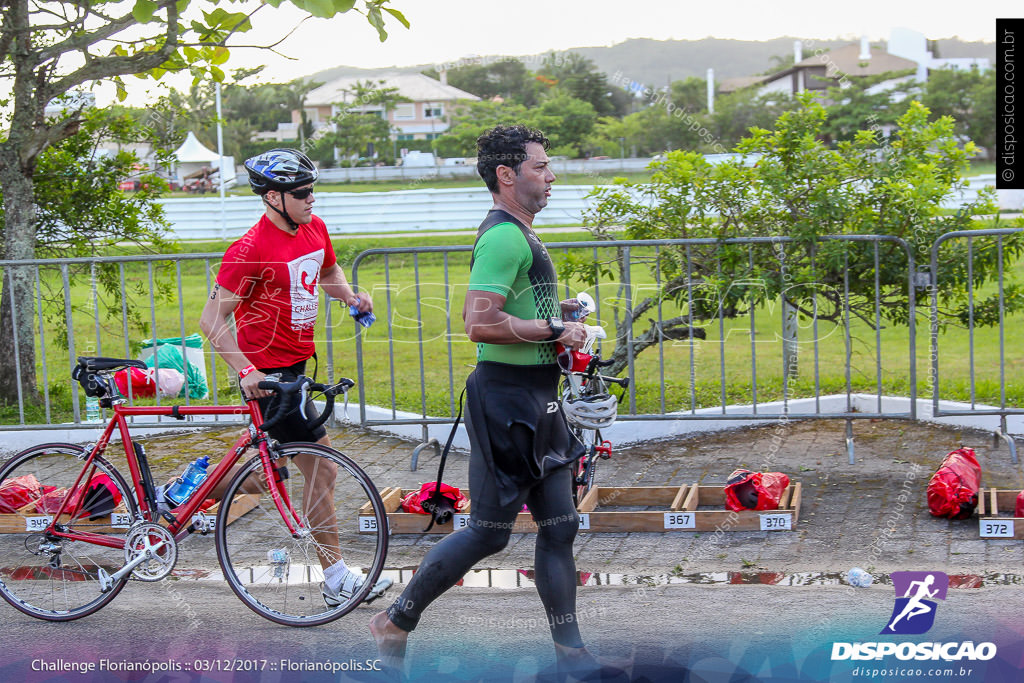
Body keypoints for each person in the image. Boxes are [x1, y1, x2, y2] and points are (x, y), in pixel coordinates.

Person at [371, 126, 621, 676]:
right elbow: (480, 323)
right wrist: (557, 328)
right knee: (488, 534)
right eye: (540, 167)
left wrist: (565, 313)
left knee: (560, 526)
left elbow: (516, 305)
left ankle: (571, 653)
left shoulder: (523, 233)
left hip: (538, 398)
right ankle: (394, 621)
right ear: (507, 176)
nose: (551, 175)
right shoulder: (505, 237)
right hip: (505, 401)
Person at [199, 148, 391, 607]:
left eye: (312, 191)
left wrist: (349, 296)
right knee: (321, 466)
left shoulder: (314, 227)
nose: (311, 200)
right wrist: (246, 370)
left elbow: (326, 270)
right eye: (301, 193)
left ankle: (183, 493)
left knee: (273, 472)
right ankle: (337, 579)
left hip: (298, 366)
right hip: (267, 377)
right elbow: (211, 320)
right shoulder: (248, 250)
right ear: (271, 197)